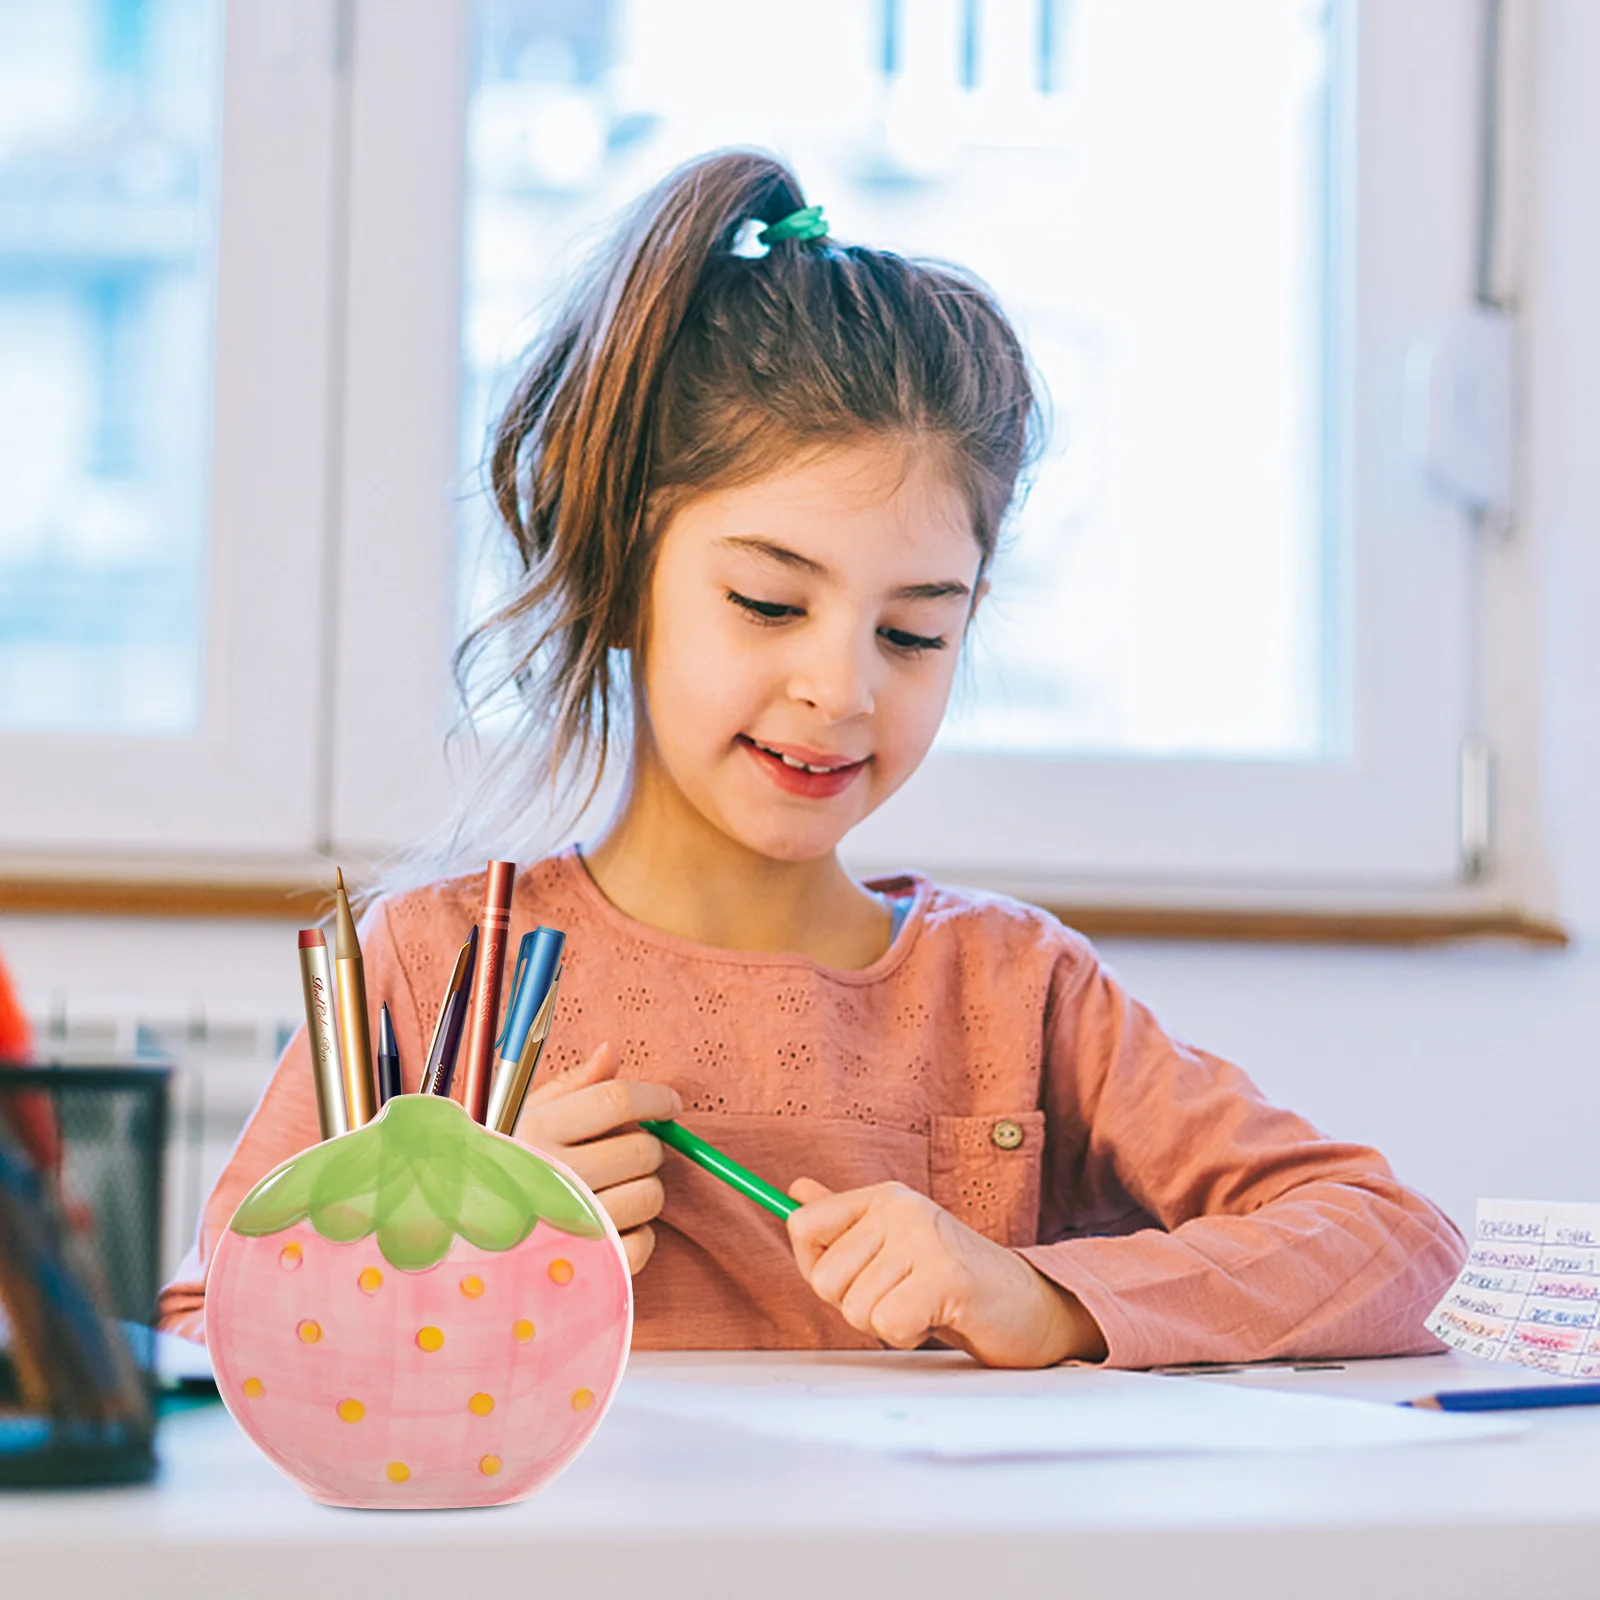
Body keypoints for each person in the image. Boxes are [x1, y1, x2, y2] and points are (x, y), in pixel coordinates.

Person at [160, 151, 1464, 1367]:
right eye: (770, 606)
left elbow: (1394, 1242)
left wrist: (1046, 1298)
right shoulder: (442, 968)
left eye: (914, 630)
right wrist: (452, 1258)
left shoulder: (1015, 992)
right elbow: (205, 1333)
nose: (840, 689)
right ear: (622, 570)